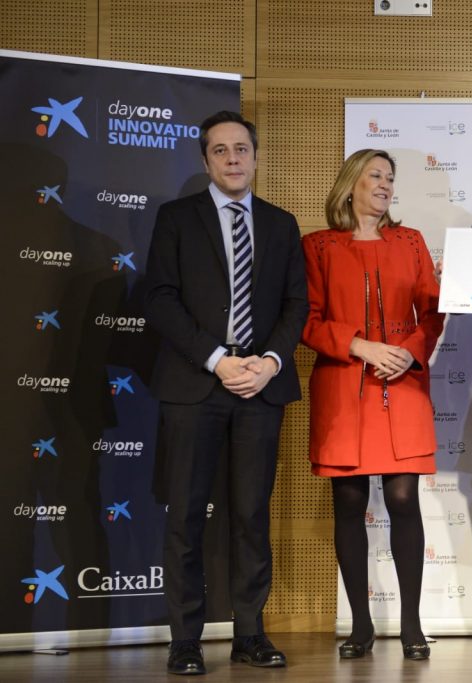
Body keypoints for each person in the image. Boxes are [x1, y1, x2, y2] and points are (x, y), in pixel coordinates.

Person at [145, 110, 308, 675]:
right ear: (206, 160)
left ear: (256, 157)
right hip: (196, 383)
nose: (233, 159)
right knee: (186, 516)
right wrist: (218, 359)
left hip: (260, 388)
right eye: (221, 150)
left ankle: (250, 633)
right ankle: (185, 640)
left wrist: (268, 362)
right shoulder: (176, 218)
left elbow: (296, 305)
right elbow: (159, 298)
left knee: (251, 515)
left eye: (242, 149)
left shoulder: (281, 224)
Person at [302, 149, 443, 661]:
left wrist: (407, 352)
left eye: (390, 177)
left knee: (404, 500)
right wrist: (358, 346)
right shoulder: (317, 246)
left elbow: (433, 311)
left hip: (402, 384)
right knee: (348, 503)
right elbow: (307, 320)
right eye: (374, 175)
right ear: (351, 185)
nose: (384, 184)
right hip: (344, 388)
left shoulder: (411, 241)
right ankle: (360, 626)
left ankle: (412, 625)